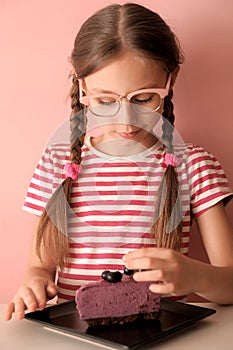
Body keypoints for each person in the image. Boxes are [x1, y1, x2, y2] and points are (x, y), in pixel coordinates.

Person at [5, 3, 233, 321]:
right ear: (82, 86)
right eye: (105, 100)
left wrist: (194, 276)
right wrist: (35, 281)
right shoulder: (57, 161)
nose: (127, 123)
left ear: (170, 80)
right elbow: (39, 266)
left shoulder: (194, 165)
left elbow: (230, 285)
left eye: (143, 98)